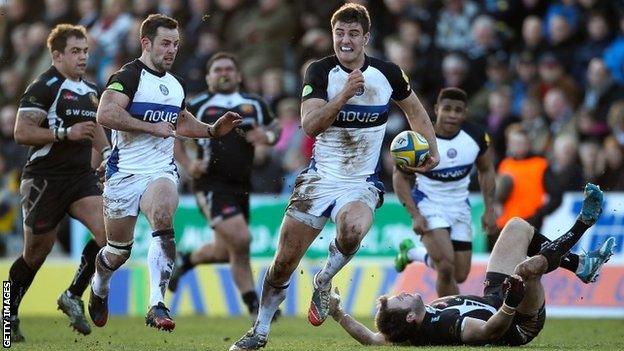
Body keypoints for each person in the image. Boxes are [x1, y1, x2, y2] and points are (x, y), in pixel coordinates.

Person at [230, 3, 439, 350]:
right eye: (340, 33)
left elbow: (416, 111)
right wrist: (343, 95)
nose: (345, 40)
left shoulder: (388, 73)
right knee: (283, 263)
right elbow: (310, 125)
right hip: (319, 179)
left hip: (361, 181)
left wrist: (431, 151)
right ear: (333, 35)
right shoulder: (319, 71)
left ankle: (323, 279)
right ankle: (260, 331)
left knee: (353, 229)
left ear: (366, 38)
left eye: (353, 34)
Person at [88, 14, 241, 332]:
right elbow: (106, 112)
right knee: (117, 252)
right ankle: (99, 287)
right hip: (123, 173)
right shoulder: (127, 76)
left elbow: (181, 120)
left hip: (160, 169)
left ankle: (156, 304)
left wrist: (212, 130)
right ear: (146, 43)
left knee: (162, 216)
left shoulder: (174, 84)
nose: (172, 50)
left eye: (175, 44)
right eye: (165, 43)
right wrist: (149, 127)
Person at [328, 183, 615, 346]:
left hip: (496, 295)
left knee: (515, 227)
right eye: (399, 301)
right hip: (518, 321)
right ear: (410, 318)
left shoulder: (403, 330)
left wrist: (338, 314)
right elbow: (489, 332)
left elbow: (370, 338)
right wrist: (510, 305)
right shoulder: (447, 326)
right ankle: (582, 225)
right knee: (527, 270)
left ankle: (580, 265)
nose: (400, 294)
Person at [6, 24, 110, 341]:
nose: (82, 57)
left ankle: (72, 294)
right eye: (75, 51)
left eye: (85, 51)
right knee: (35, 254)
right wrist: (64, 133)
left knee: (111, 236)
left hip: (80, 178)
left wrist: (106, 154)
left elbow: (95, 128)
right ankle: (8, 315)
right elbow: (21, 132)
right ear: (57, 55)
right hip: (44, 179)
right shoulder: (43, 87)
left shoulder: (91, 90)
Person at [168, 51, 281, 318]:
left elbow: (276, 128)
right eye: (217, 69)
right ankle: (254, 303)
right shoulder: (198, 104)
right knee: (241, 239)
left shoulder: (253, 103)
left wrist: (266, 135)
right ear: (208, 77)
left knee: (225, 250)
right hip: (210, 184)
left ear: (239, 75)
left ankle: (186, 260)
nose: (224, 73)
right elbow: (175, 136)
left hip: (241, 185)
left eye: (229, 69)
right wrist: (188, 163)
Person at [393, 87, 496, 297]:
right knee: (446, 268)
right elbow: (400, 177)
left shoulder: (476, 136)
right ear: (437, 109)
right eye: (447, 109)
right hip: (429, 205)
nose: (452, 115)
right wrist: (415, 215)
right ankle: (448, 317)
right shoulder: (421, 141)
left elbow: (486, 170)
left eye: (458, 110)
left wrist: (490, 209)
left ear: (465, 113)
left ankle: (412, 252)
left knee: (460, 274)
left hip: (460, 207)